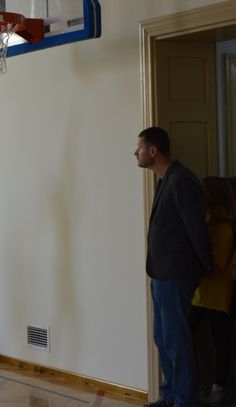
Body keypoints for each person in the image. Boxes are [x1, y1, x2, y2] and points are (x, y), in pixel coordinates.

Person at [135, 126, 213, 407]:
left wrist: (207, 266)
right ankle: (170, 394)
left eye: (140, 147)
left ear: (153, 150)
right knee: (163, 338)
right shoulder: (165, 179)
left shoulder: (181, 180)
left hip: (176, 274)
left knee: (176, 340)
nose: (136, 152)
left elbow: (196, 228)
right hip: (161, 274)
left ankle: (185, 399)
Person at [191, 177, 235, 405]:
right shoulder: (210, 226)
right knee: (192, 336)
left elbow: (215, 268)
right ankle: (199, 383)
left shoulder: (223, 230)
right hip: (202, 293)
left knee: (220, 341)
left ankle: (218, 386)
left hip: (216, 295)